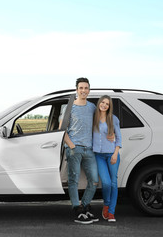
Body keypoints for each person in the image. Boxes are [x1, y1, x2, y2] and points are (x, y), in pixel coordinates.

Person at [60, 77, 99, 224]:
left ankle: (85, 205)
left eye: (86, 88)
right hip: (74, 149)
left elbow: (99, 124)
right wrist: (71, 146)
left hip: (89, 149)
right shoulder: (69, 108)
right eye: (81, 88)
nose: (83, 90)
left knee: (94, 180)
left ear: (89, 90)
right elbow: (61, 129)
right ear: (76, 90)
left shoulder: (92, 107)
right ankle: (77, 209)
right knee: (73, 180)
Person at [92, 95, 122, 222]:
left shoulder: (113, 119)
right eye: (103, 102)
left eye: (107, 104)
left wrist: (115, 154)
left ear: (109, 107)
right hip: (98, 155)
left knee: (114, 183)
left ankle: (111, 212)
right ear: (99, 103)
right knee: (106, 182)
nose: (104, 105)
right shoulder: (93, 118)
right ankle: (106, 204)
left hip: (111, 155)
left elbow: (119, 138)